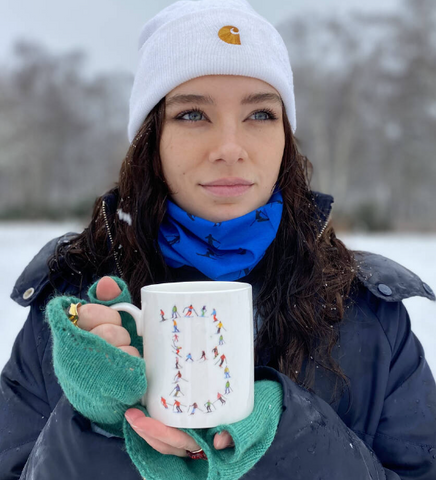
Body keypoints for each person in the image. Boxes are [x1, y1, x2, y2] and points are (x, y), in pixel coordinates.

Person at [0, 0, 435, 478]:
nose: (230, 148)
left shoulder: (366, 313)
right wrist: (95, 425)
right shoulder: (72, 310)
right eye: (192, 115)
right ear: (152, 140)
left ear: (286, 139)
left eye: (261, 115)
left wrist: (288, 435)